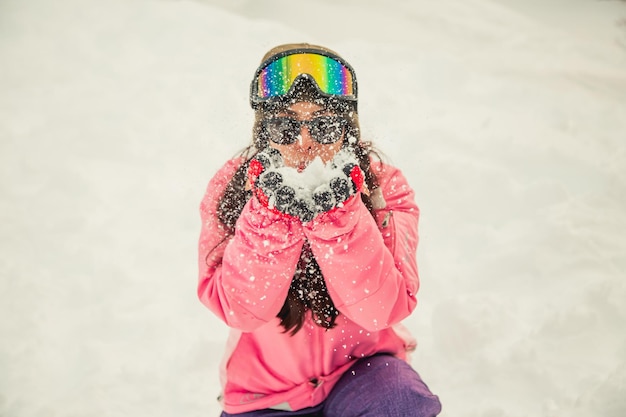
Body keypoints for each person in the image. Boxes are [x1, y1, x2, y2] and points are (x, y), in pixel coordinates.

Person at [197, 43, 442, 417]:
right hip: (267, 395)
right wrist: (269, 216)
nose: (304, 143)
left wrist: (341, 218)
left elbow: (383, 309)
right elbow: (240, 310)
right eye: (284, 125)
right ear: (264, 130)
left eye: (324, 126)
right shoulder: (233, 186)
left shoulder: (382, 187)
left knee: (401, 405)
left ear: (346, 130)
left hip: (363, 374)